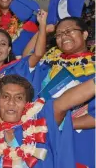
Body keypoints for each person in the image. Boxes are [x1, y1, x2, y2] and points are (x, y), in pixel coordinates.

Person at [0, 74, 94, 168]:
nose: (11, 102)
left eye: (19, 98)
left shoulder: (39, 125)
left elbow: (64, 103)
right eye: (5, 96)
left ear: (27, 104)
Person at [33, 17, 95, 168]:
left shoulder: (93, 68)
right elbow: (30, 56)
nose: (63, 36)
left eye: (69, 31)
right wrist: (43, 28)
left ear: (85, 34)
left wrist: (60, 124)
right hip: (45, 138)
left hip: (80, 140)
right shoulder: (49, 64)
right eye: (59, 34)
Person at [0, 9, 47, 111]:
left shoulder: (17, 69)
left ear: (9, 50)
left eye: (3, 44)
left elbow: (38, 54)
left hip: (11, 125)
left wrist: (42, 25)